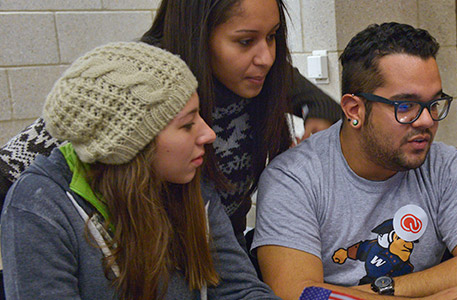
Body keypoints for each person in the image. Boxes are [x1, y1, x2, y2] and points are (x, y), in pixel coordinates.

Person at [0, 0, 340, 247]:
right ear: (198, 35)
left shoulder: (261, 72)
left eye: (273, 36)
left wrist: (317, 119)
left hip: (221, 253)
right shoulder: (136, 79)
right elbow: (13, 166)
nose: (266, 57)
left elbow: (321, 103)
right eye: (245, 41)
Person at [1, 42, 279, 300]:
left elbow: (240, 291)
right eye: (186, 125)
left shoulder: (188, 181)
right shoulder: (39, 209)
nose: (208, 134)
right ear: (131, 145)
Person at [252, 22, 457, 300]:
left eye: (433, 104)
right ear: (354, 109)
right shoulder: (294, 178)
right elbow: (298, 294)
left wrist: (372, 293)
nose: (427, 120)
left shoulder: (443, 165)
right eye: (405, 106)